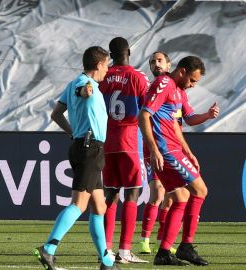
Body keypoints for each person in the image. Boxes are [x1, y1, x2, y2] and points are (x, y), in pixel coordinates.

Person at [34, 46, 119, 270]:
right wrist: (85, 93)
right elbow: (82, 90)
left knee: (99, 206)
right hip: (90, 149)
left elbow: (55, 114)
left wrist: (72, 131)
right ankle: (48, 248)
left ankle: (107, 261)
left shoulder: (78, 83)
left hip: (85, 146)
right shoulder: (84, 83)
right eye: (107, 65)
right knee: (79, 204)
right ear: (99, 64)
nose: (107, 70)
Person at [138, 51, 219, 255]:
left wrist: (189, 151)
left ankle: (165, 251)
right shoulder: (163, 84)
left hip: (173, 148)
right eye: (192, 80)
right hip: (165, 150)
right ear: (182, 71)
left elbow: (181, 122)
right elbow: (144, 115)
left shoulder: (179, 92)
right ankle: (184, 246)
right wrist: (155, 149)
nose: (193, 85)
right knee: (199, 191)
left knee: (181, 197)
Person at [97, 37, 149, 264]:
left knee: (111, 194)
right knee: (133, 193)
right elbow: (148, 110)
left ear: (111, 53)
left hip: (107, 140)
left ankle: (106, 249)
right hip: (129, 140)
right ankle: (125, 250)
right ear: (128, 51)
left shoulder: (103, 76)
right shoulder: (138, 77)